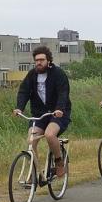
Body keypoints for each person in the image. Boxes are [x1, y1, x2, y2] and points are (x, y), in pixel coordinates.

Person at [14, 45, 71, 178]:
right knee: (31, 140)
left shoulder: (58, 74)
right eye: (37, 60)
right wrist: (19, 108)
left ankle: (59, 161)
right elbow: (23, 92)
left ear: (48, 60)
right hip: (39, 115)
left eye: (42, 60)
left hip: (58, 113)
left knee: (50, 135)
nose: (39, 62)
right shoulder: (32, 75)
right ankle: (35, 174)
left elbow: (63, 93)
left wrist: (59, 109)